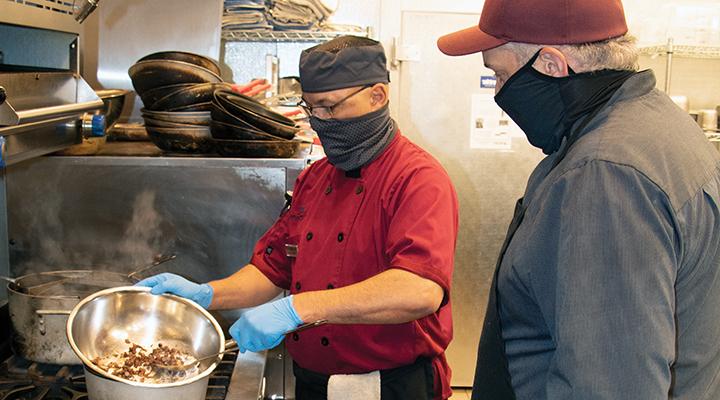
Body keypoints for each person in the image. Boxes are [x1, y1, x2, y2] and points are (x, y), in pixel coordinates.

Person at [138, 36, 459, 400]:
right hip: (312, 381)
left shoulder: (417, 179)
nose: (320, 121)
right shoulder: (316, 178)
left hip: (388, 385)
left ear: (378, 96)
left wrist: (296, 309)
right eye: (311, 108)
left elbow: (419, 291)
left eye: (330, 107)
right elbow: (272, 270)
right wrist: (206, 294)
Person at [438, 0, 720, 399]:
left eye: (500, 75)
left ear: (551, 64)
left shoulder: (605, 173)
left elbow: (610, 385)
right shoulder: (655, 120)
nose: (499, 92)